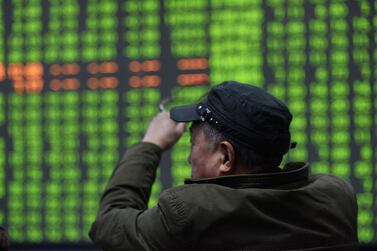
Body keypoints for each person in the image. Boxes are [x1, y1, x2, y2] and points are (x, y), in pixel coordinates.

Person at [89, 81, 358, 250]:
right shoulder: (337, 197)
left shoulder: (192, 213)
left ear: (226, 157)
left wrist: (150, 145)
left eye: (192, 144)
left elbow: (109, 224)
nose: (188, 158)